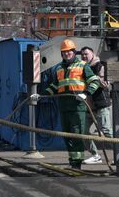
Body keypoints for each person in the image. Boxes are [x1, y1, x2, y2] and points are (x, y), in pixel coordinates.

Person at [41, 39, 102, 170]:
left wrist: (86, 93)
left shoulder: (82, 65)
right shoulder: (59, 68)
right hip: (63, 106)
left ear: (74, 52)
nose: (66, 54)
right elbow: (55, 85)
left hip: (77, 107)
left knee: (76, 135)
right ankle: (72, 161)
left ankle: (77, 164)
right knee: (66, 135)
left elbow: (95, 82)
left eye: (69, 51)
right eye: (64, 52)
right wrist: (41, 95)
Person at [79, 46, 118, 168]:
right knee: (83, 131)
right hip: (89, 106)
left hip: (101, 104)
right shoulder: (83, 68)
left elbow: (105, 84)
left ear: (93, 54)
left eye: (86, 54)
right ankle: (95, 155)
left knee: (107, 131)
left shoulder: (99, 66)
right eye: (82, 55)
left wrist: (94, 78)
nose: (84, 56)